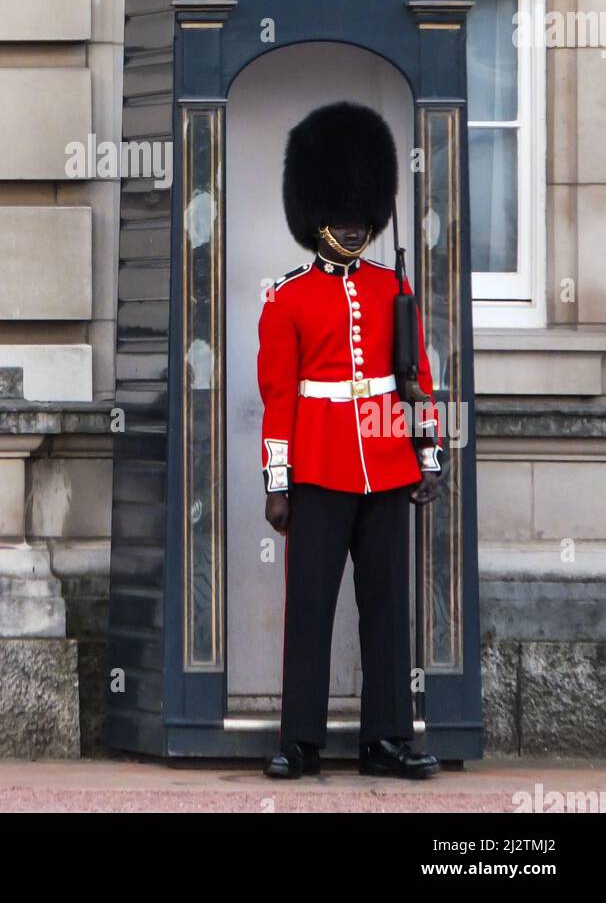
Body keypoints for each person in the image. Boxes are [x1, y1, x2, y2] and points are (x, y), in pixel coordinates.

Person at [259, 101, 443, 781]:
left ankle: (387, 738)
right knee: (310, 607)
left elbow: (414, 380)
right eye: (339, 213)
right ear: (315, 217)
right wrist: (277, 482)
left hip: (386, 464)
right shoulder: (288, 299)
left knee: (386, 610)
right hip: (319, 466)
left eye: (360, 212)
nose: (352, 225)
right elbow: (280, 399)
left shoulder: (394, 287)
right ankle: (300, 740)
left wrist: (427, 452)